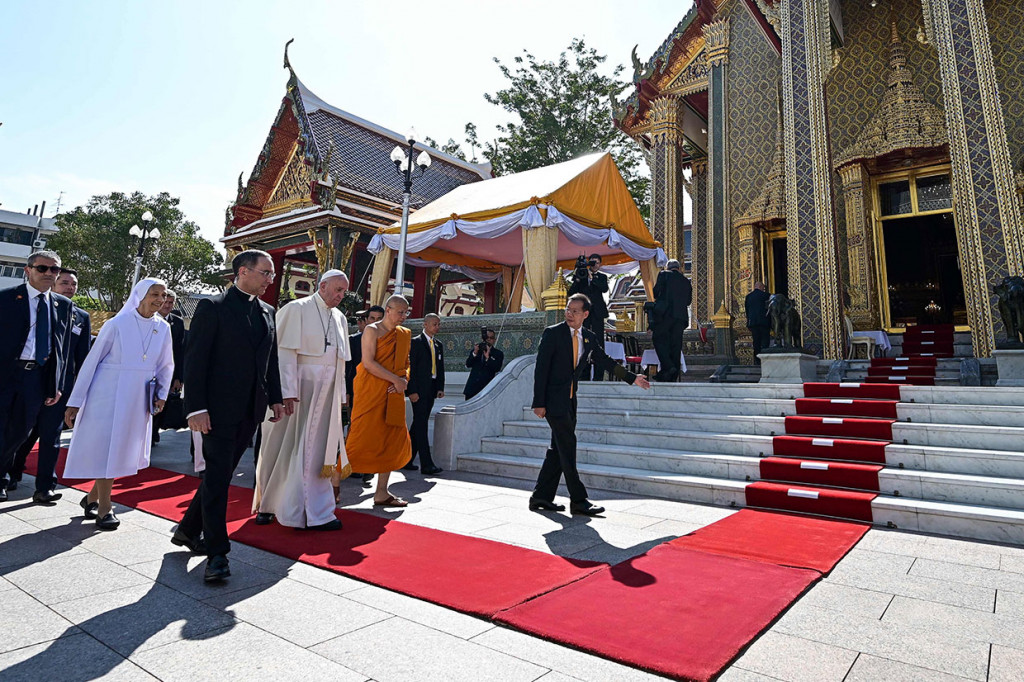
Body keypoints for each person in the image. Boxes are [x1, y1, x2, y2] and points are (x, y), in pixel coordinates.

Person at [176, 250, 284, 583]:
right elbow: (195, 362)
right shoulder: (213, 308)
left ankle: (188, 529)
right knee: (220, 478)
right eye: (265, 272)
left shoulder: (268, 312)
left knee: (218, 476)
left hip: (251, 410)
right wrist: (195, 408)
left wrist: (276, 399)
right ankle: (217, 553)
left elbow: (271, 361)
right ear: (242, 271)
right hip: (216, 411)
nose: (271, 279)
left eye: (272, 274)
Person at [63, 278, 175, 530]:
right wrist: (75, 401)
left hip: (138, 396)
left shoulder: (163, 327)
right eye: (154, 294)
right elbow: (91, 362)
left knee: (122, 448)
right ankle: (105, 508)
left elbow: (166, 364)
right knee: (107, 447)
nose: (159, 299)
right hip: (107, 393)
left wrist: (162, 394)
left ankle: (92, 497)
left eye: (163, 294)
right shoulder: (117, 324)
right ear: (140, 295)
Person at [530, 293, 650, 515]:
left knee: (558, 449)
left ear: (585, 314)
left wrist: (632, 378)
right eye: (568, 309)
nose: (569, 314)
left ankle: (540, 497)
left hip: (570, 398)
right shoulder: (553, 334)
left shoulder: (588, 337)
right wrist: (538, 402)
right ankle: (578, 499)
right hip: (553, 401)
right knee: (568, 446)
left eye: (575, 311)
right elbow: (541, 370)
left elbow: (604, 360)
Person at [253, 270, 351, 531]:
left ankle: (316, 511)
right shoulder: (296, 309)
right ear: (322, 285)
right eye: (338, 290)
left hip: (326, 392)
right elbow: (282, 353)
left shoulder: (340, 318)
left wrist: (341, 395)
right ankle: (267, 505)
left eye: (344, 291)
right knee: (280, 445)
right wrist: (285, 391)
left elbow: (340, 362)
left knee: (316, 452)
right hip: (297, 390)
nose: (341, 296)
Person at [10, 269, 91, 503]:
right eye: (64, 282)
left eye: (74, 284)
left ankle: (45, 486)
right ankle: (11, 473)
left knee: (50, 436)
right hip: (30, 382)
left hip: (60, 387)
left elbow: (82, 357)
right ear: (53, 283)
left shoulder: (80, 316)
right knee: (20, 432)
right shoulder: (35, 308)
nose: (70, 287)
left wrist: (78, 392)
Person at [0, 250, 74, 503]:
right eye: (43, 268)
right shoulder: (7, 299)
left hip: (36, 377)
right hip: (6, 374)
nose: (49, 274)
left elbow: (60, 349)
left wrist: (56, 385)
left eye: (54, 270)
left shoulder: (62, 305)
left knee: (20, 432)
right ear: (28, 270)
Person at [345, 295, 413, 507]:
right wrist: (395, 379)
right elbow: (368, 363)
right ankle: (333, 483)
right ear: (388, 309)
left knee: (391, 439)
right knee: (361, 436)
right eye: (400, 312)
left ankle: (382, 492)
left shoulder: (404, 334)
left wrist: (403, 380)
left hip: (393, 393)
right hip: (371, 391)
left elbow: (406, 363)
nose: (403, 316)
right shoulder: (372, 330)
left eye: (406, 312)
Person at [346, 305, 383, 488]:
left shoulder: (389, 340)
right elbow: (348, 368)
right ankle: (352, 464)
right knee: (357, 428)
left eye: (379, 319)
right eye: (372, 319)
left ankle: (369, 466)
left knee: (375, 429)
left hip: (379, 392)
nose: (375, 323)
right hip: (357, 391)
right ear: (366, 320)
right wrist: (346, 391)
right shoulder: (353, 341)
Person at [405, 313, 445, 475]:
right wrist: (411, 391)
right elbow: (410, 369)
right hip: (418, 390)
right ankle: (426, 463)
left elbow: (440, 367)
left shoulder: (438, 344)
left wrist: (440, 387)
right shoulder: (415, 343)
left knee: (418, 424)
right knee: (421, 425)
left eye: (438, 324)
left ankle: (406, 459)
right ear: (425, 325)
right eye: (434, 324)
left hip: (432, 389)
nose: (437, 327)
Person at [152, 289, 186, 444]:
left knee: (162, 403)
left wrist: (179, 377)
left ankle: (155, 432)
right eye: (165, 302)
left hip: (168, 371)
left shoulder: (177, 322)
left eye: (171, 303)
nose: (167, 305)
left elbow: (180, 351)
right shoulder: (149, 319)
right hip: (150, 369)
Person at [651, 259, 692, 382]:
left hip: (665, 315)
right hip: (680, 317)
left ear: (668, 267)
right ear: (679, 268)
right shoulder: (686, 281)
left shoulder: (664, 275)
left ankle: (668, 366)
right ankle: (670, 375)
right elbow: (688, 301)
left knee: (658, 339)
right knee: (675, 345)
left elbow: (655, 292)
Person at [463, 327, 504, 399]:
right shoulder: (477, 350)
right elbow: (468, 364)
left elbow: (497, 368)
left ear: (494, 340)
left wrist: (488, 358)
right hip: (472, 388)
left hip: (486, 388)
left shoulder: (498, 353)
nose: (488, 339)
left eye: (491, 338)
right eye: (487, 337)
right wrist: (475, 353)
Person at [745, 282, 771, 364]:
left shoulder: (748, 296)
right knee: (765, 341)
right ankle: (765, 360)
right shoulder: (766, 295)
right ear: (760, 287)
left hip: (753, 323)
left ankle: (757, 360)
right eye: (763, 287)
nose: (764, 289)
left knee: (756, 342)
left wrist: (748, 322)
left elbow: (747, 311)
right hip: (764, 322)